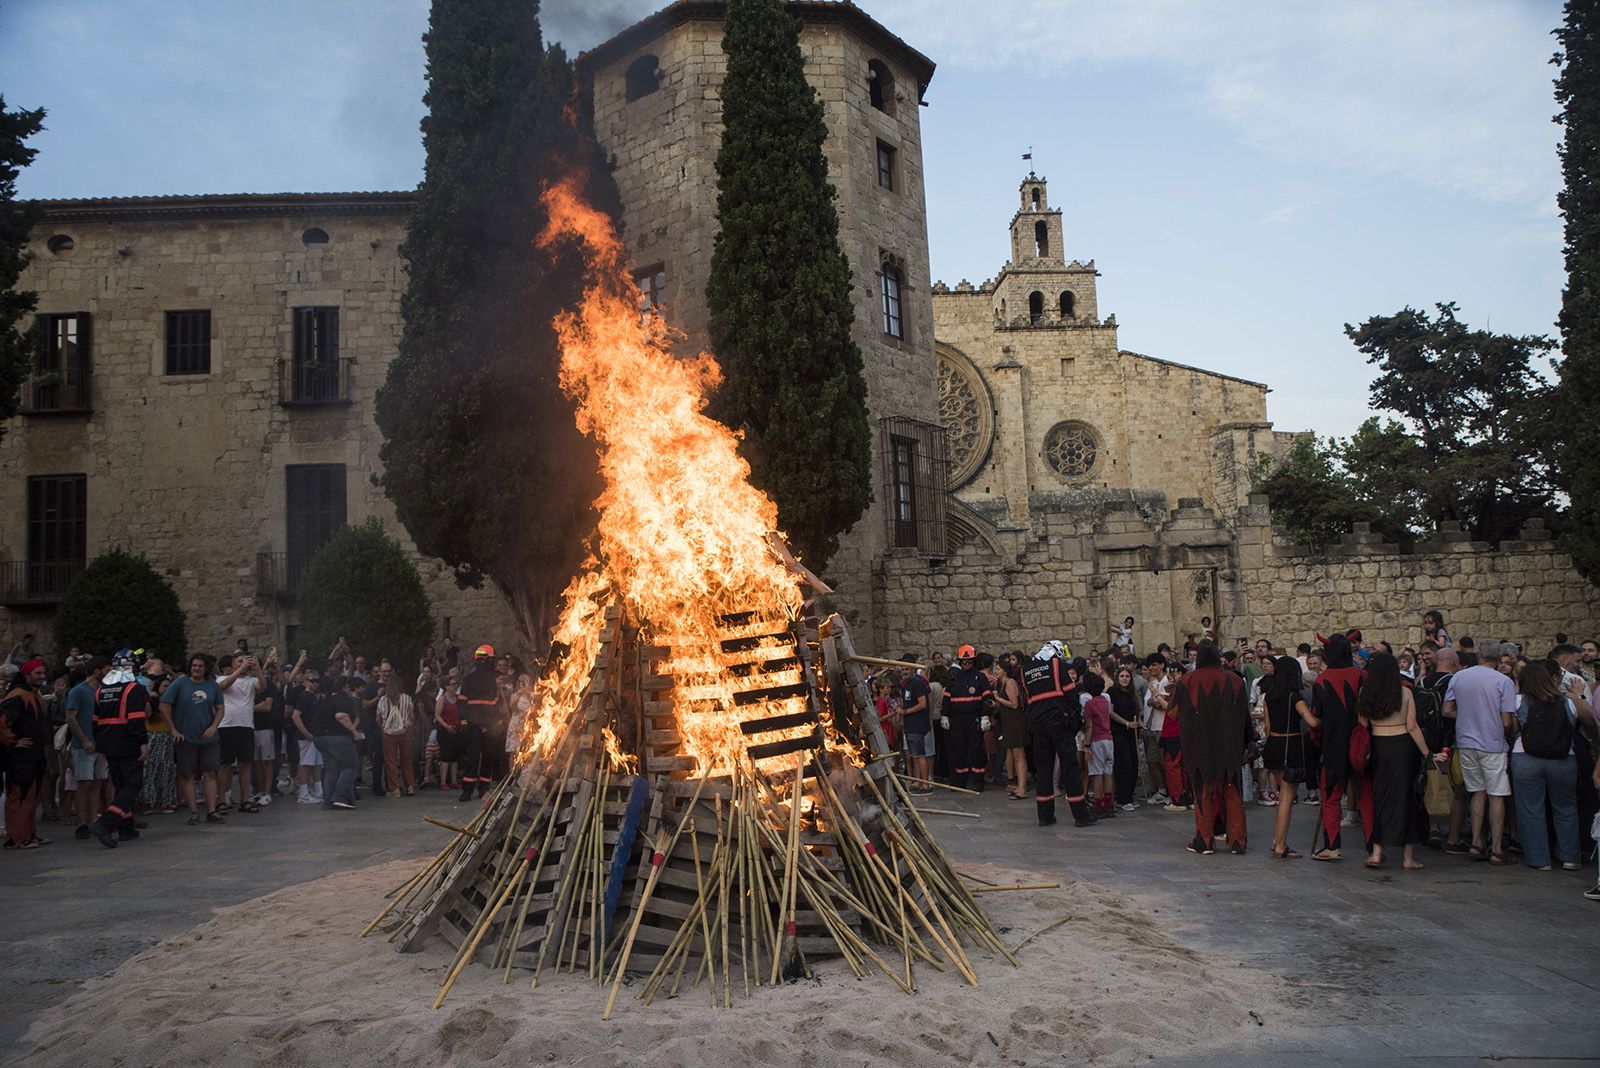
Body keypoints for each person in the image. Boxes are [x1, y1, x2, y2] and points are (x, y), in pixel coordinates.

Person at [1511, 658, 1593, 872]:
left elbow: (1511, 728)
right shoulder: (1568, 701)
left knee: (1531, 808)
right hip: (1564, 758)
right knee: (1566, 808)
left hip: (1525, 756)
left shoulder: (1519, 700)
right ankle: (1570, 857)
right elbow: (1589, 721)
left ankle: (1540, 859)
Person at [1173, 642, 1251, 855]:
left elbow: (1172, 713)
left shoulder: (1187, 681)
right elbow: (1245, 716)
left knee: (1202, 791)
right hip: (1229, 745)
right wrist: (1247, 741)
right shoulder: (1235, 680)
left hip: (1199, 745)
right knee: (1232, 791)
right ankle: (1237, 841)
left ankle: (1204, 840)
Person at [1444, 638, 1517, 865]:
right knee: (1497, 794)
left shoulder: (1459, 677)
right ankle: (1496, 848)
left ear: (1479, 654)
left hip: (1466, 740)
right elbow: (1506, 721)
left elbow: (1447, 710)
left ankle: (1476, 842)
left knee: (1477, 792)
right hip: (1492, 743)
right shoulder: (1503, 681)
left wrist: (1468, 716)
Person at [1358, 652, 1429, 871]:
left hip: (1380, 746)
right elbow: (1412, 726)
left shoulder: (1364, 692)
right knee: (1407, 799)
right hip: (1403, 747)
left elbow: (1363, 723)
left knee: (1381, 798)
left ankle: (1377, 852)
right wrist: (1427, 753)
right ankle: (1407, 858)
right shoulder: (1405, 692)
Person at [1021, 640, 1095, 828]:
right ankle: (1081, 815)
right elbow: (1070, 694)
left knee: (1043, 769)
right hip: (1058, 723)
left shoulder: (1026, 670)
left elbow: (1027, 701)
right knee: (1070, 767)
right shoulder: (1057, 665)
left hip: (1038, 725)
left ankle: (1044, 816)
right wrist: (1076, 717)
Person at [1309, 634, 1368, 861]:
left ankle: (1332, 846)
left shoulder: (1322, 681)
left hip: (1333, 746)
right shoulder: (1362, 676)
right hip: (1361, 743)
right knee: (1365, 794)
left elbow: (1316, 717)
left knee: (1331, 797)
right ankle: (1374, 847)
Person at [87, 649, 149, 849]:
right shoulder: (135, 689)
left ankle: (126, 828)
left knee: (121, 784)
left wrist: (101, 743)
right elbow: (136, 719)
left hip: (107, 742)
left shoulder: (101, 690)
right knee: (133, 784)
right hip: (128, 741)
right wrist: (143, 742)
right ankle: (106, 822)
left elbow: (95, 721)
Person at [162, 654, 226, 825]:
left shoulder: (213, 686)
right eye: (194, 665)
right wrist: (173, 729)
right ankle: (193, 812)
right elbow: (164, 704)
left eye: (200, 666)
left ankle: (211, 810)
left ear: (206, 668)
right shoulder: (180, 683)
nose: (196, 669)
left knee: (210, 773)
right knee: (188, 774)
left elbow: (220, 708)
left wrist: (213, 727)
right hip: (186, 737)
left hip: (208, 738)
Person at [1261, 656, 1314, 858]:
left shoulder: (1269, 696)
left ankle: (1276, 839)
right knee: (1287, 797)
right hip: (1289, 746)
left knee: (1282, 795)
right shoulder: (1295, 697)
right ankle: (1281, 844)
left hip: (1273, 744)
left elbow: (1267, 727)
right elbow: (1310, 721)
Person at [1, 658, 51, 848]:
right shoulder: (18, 695)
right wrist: (13, 741)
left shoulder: (33, 694)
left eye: (42, 673)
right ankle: (18, 837)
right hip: (21, 756)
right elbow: (2, 721)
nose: (42, 677)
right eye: (38, 673)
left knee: (33, 795)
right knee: (21, 795)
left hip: (34, 752)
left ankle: (28, 833)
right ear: (27, 674)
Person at [64, 658, 108, 838]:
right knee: (84, 783)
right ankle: (82, 822)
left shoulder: (103, 691)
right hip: (84, 744)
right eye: (106, 669)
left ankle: (92, 820)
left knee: (97, 782)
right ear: (97, 670)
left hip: (101, 743)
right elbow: (71, 717)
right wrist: (83, 739)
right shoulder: (79, 691)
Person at [215, 653, 262, 813]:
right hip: (227, 725)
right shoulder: (221, 678)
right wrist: (240, 669)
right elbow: (224, 686)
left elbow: (262, 685)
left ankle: (245, 799)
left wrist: (258, 669)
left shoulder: (250, 681)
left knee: (245, 764)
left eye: (245, 661)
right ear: (233, 663)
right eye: (239, 661)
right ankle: (221, 799)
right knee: (225, 764)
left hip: (246, 725)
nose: (243, 664)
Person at [942, 645, 992, 792]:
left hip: (974, 718)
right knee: (959, 750)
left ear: (973, 660)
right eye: (964, 661)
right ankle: (959, 782)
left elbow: (988, 698)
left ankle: (978, 782)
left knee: (976, 750)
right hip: (957, 720)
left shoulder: (980, 677)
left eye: (969, 660)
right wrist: (945, 715)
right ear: (960, 661)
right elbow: (947, 698)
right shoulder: (954, 678)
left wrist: (985, 715)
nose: (967, 663)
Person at [458, 644, 502, 800]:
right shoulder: (470, 678)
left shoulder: (492, 679)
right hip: (473, 724)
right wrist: (464, 721)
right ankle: (467, 790)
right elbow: (462, 701)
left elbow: (496, 702)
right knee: (473, 757)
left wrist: (495, 723)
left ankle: (483, 789)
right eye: (491, 659)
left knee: (488, 757)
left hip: (489, 725)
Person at [311, 676, 361, 809]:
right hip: (338, 737)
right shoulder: (343, 699)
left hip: (320, 738)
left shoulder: (327, 699)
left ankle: (327, 801)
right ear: (345, 687)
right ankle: (340, 796)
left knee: (331, 770)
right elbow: (341, 716)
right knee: (350, 766)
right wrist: (354, 732)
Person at [138, 660, 178, 814]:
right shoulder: (151, 700)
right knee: (151, 769)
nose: (167, 689)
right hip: (153, 735)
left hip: (167, 736)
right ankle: (148, 801)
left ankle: (165, 801)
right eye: (165, 686)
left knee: (167, 769)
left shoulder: (172, 702)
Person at [990, 653, 1027, 799]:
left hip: (1015, 722)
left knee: (1019, 755)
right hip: (1008, 722)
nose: (996, 672)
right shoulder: (1002, 684)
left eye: (998, 669)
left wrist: (998, 698)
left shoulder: (1010, 683)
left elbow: (1014, 704)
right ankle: (1018, 786)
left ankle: (1022, 788)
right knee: (1014, 754)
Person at [289, 670, 329, 804]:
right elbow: (295, 715)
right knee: (305, 764)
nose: (315, 684)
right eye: (311, 681)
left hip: (315, 735)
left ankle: (319, 790)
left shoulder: (314, 697)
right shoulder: (304, 696)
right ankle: (303, 793)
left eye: (317, 681)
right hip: (307, 736)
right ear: (305, 681)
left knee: (316, 763)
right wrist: (305, 733)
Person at [897, 660, 934, 794]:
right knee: (914, 755)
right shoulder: (905, 685)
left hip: (917, 724)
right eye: (902, 670)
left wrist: (906, 711)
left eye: (907, 669)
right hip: (910, 724)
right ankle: (918, 782)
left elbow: (923, 703)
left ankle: (925, 784)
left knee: (920, 754)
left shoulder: (917, 684)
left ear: (912, 669)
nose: (904, 672)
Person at [1082, 672, 1115, 817]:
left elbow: (1089, 727)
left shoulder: (1090, 704)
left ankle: (1097, 804)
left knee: (1096, 773)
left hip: (1097, 740)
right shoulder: (1105, 701)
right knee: (1108, 773)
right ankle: (1109, 804)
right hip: (1109, 739)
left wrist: (1087, 745)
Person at [1108, 666, 1141, 810]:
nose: (1124, 679)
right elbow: (1110, 712)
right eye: (1122, 676)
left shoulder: (1132, 693)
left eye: (1127, 676)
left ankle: (1129, 794)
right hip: (1119, 731)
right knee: (1124, 763)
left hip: (1131, 732)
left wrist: (1137, 722)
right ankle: (1123, 797)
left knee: (1134, 763)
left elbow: (1137, 709)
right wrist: (1126, 723)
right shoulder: (1112, 692)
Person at [379, 672, 417, 797]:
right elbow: (412, 716)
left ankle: (394, 788)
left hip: (388, 732)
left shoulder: (383, 700)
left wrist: (383, 726)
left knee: (391, 761)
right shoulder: (406, 698)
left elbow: (378, 718)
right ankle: (410, 786)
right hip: (405, 730)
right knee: (406, 759)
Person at [1140, 656, 1169, 805]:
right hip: (1152, 727)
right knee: (1152, 761)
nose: (1151, 668)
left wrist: (1156, 699)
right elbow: (1152, 702)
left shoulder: (1167, 681)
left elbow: (1163, 703)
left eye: (1154, 665)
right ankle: (1162, 789)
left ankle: (1169, 790)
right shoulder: (1154, 683)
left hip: (1164, 726)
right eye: (1149, 665)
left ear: (1162, 665)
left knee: (1164, 761)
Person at [434, 671, 463, 792]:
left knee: (454, 756)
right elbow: (437, 715)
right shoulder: (442, 699)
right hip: (445, 730)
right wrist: (446, 726)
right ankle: (443, 781)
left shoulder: (458, 698)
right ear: (446, 686)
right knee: (445, 755)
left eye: (456, 684)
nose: (455, 686)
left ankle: (453, 780)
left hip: (457, 729)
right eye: (452, 684)